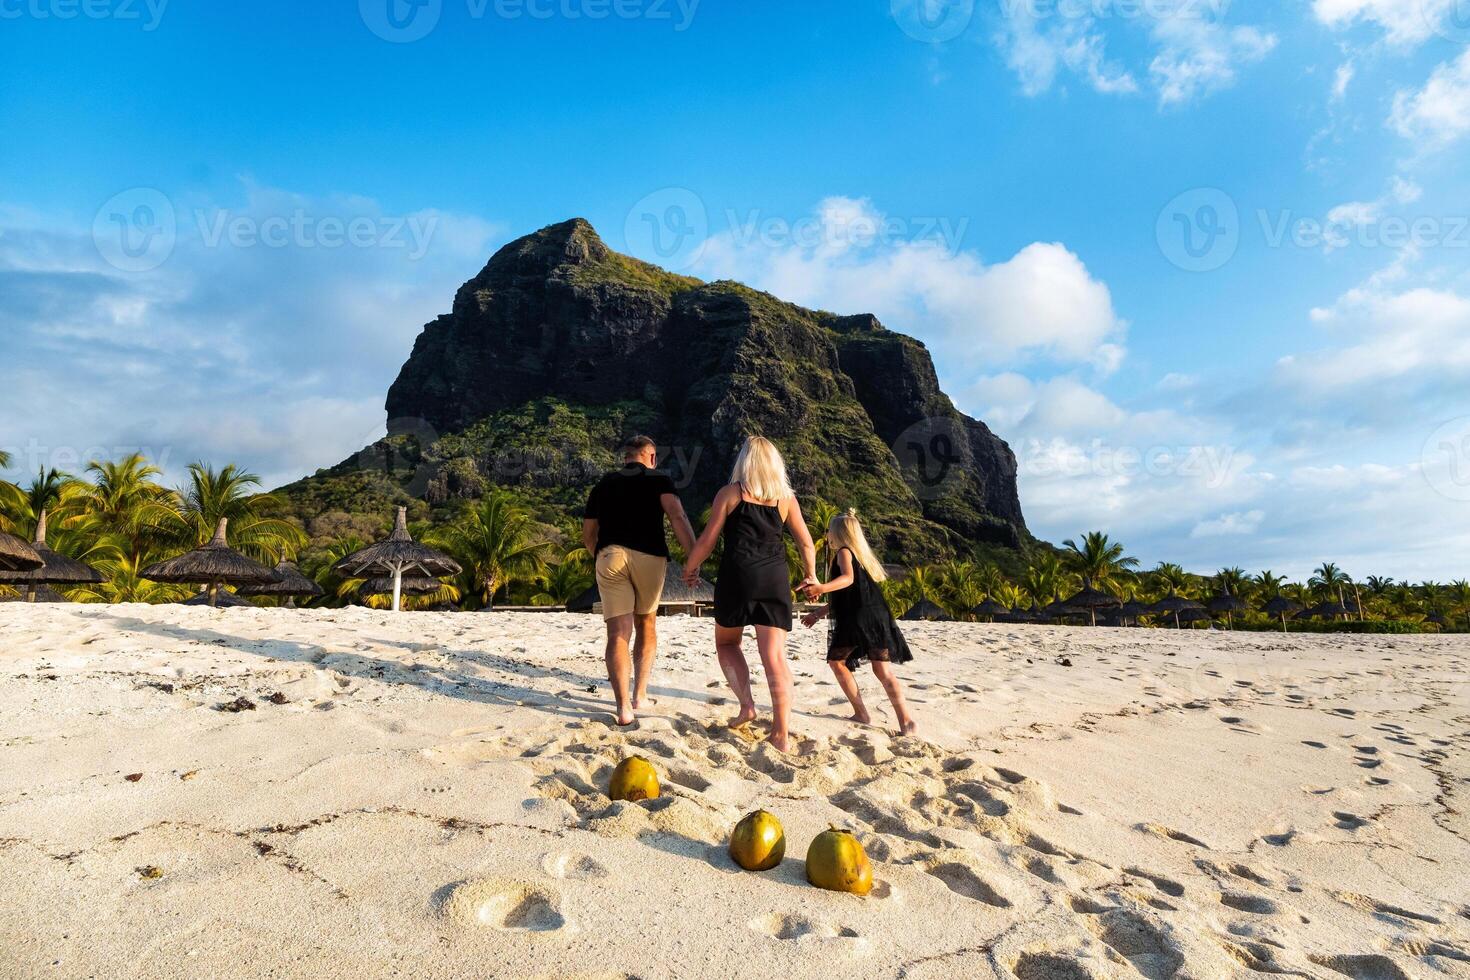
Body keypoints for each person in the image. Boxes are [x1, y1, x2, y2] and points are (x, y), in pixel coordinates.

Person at [683, 436, 818, 753]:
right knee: (774, 657)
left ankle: (747, 705)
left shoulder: (731, 493)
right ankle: (781, 733)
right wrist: (810, 573)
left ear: (743, 462)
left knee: (727, 642)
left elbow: (708, 539)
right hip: (774, 580)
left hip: (738, 578)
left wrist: (690, 567)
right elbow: (806, 543)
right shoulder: (786, 500)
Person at [583, 435, 697, 726]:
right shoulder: (660, 480)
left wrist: (600, 554)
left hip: (611, 555)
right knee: (646, 623)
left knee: (617, 633)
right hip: (650, 557)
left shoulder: (604, 484)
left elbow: (588, 533)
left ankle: (623, 708)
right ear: (652, 457)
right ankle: (640, 695)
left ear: (626, 457)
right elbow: (678, 516)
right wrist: (693, 558)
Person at [801, 510, 917, 736]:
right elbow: (847, 595)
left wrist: (821, 588)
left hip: (857, 619)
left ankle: (861, 713)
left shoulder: (844, 553)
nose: (827, 536)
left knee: (837, 662)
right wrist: (818, 614)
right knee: (883, 670)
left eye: (830, 532)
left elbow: (847, 580)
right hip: (876, 616)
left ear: (839, 534)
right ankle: (907, 721)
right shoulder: (860, 557)